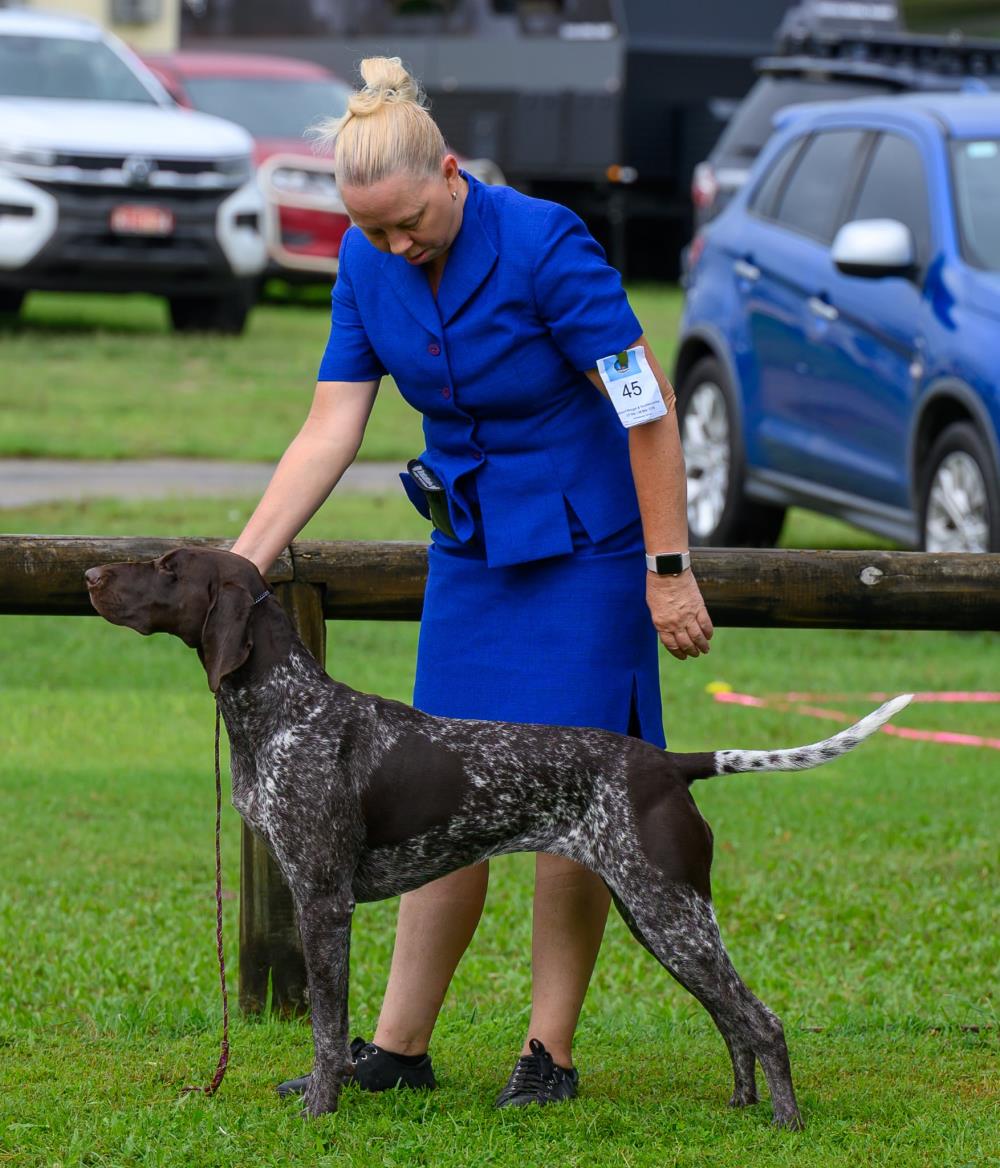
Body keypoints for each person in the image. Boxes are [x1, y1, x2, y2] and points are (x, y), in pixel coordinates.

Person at [232, 56, 713, 1108]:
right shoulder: (365, 261)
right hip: (473, 553)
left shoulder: (546, 243)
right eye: (372, 232)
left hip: (588, 552)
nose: (395, 247)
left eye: (409, 223)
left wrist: (668, 568)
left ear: (450, 173)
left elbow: (645, 404)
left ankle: (549, 1052)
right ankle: (398, 1047)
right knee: (432, 792)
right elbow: (331, 425)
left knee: (571, 801)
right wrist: (242, 563)